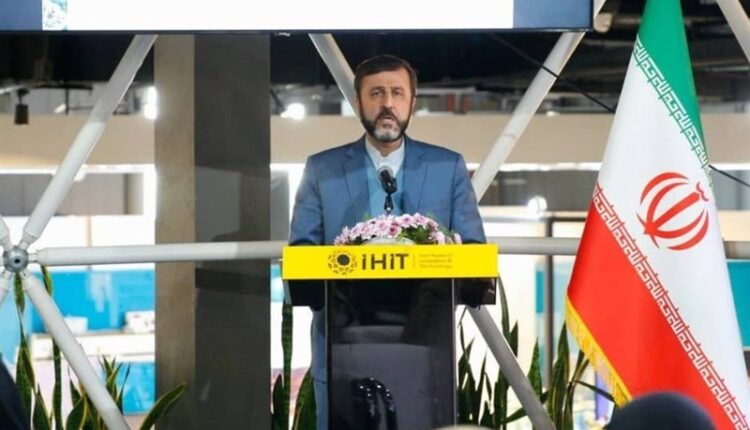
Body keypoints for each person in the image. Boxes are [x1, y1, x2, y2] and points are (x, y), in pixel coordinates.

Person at [289, 54, 486, 429]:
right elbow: (301, 253)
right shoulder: (321, 170)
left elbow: (474, 250)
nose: (387, 104)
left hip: (426, 350)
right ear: (358, 102)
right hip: (343, 349)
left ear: (412, 101)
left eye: (397, 93)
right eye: (376, 93)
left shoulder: (447, 168)